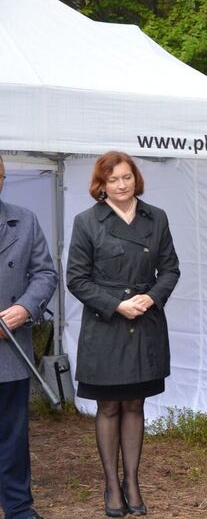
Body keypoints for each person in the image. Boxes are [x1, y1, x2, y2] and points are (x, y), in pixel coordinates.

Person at [66, 151, 180, 517]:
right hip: (106, 326)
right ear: (101, 184)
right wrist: (117, 304)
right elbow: (76, 279)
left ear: (136, 179)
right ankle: (111, 485)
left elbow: (171, 270)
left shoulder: (156, 218)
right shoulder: (87, 222)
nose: (120, 185)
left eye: (126, 177)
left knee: (135, 404)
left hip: (145, 324)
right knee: (109, 405)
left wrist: (151, 297)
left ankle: (132, 480)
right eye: (112, 179)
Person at [0, 155, 58, 519]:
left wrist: (24, 308)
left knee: (13, 435)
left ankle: (19, 506)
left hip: (11, 349)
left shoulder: (25, 220)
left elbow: (45, 275)